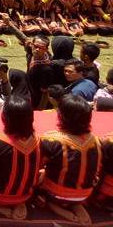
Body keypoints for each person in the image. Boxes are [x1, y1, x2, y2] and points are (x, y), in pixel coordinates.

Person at [38, 94, 102, 224]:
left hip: (56, 192)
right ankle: (75, 204)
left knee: (37, 178)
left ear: (61, 116)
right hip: (85, 194)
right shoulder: (96, 140)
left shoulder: (51, 139)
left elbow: (37, 165)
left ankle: (55, 206)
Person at [0, 95, 40, 220]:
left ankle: (0, 208)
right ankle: (19, 202)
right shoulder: (38, 141)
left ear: (4, 117)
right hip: (25, 195)